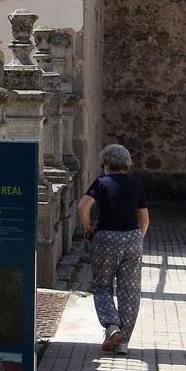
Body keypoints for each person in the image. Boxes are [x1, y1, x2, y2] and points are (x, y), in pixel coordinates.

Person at [76, 143, 150, 356]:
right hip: (133, 238)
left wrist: (89, 227)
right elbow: (144, 220)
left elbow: (83, 207)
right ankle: (123, 342)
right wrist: (137, 239)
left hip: (106, 238)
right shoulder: (136, 185)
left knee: (102, 286)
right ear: (127, 163)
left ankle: (112, 327)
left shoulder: (101, 183)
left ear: (106, 163)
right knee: (130, 291)